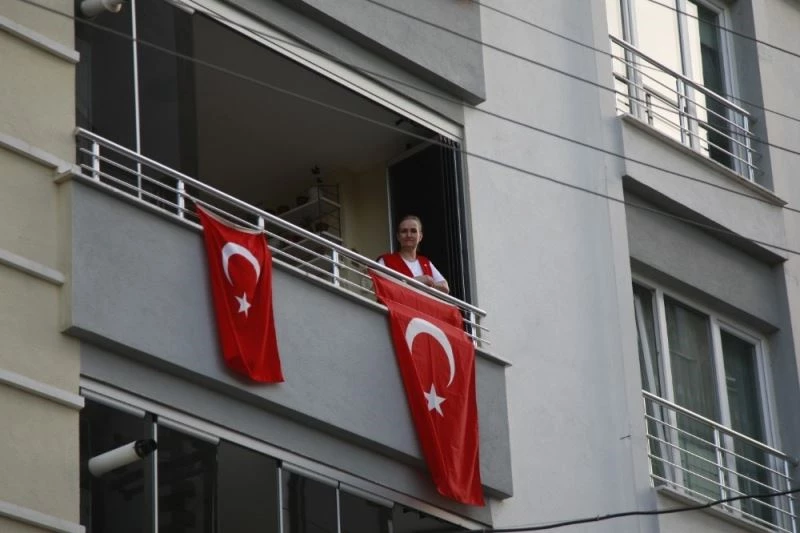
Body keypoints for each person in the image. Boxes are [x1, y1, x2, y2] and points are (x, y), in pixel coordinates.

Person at [378, 215, 450, 293]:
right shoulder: (386, 260)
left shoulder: (425, 262)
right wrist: (417, 281)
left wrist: (429, 283)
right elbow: (380, 285)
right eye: (404, 231)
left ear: (420, 236)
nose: (409, 235)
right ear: (398, 237)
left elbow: (445, 288)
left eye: (413, 231)